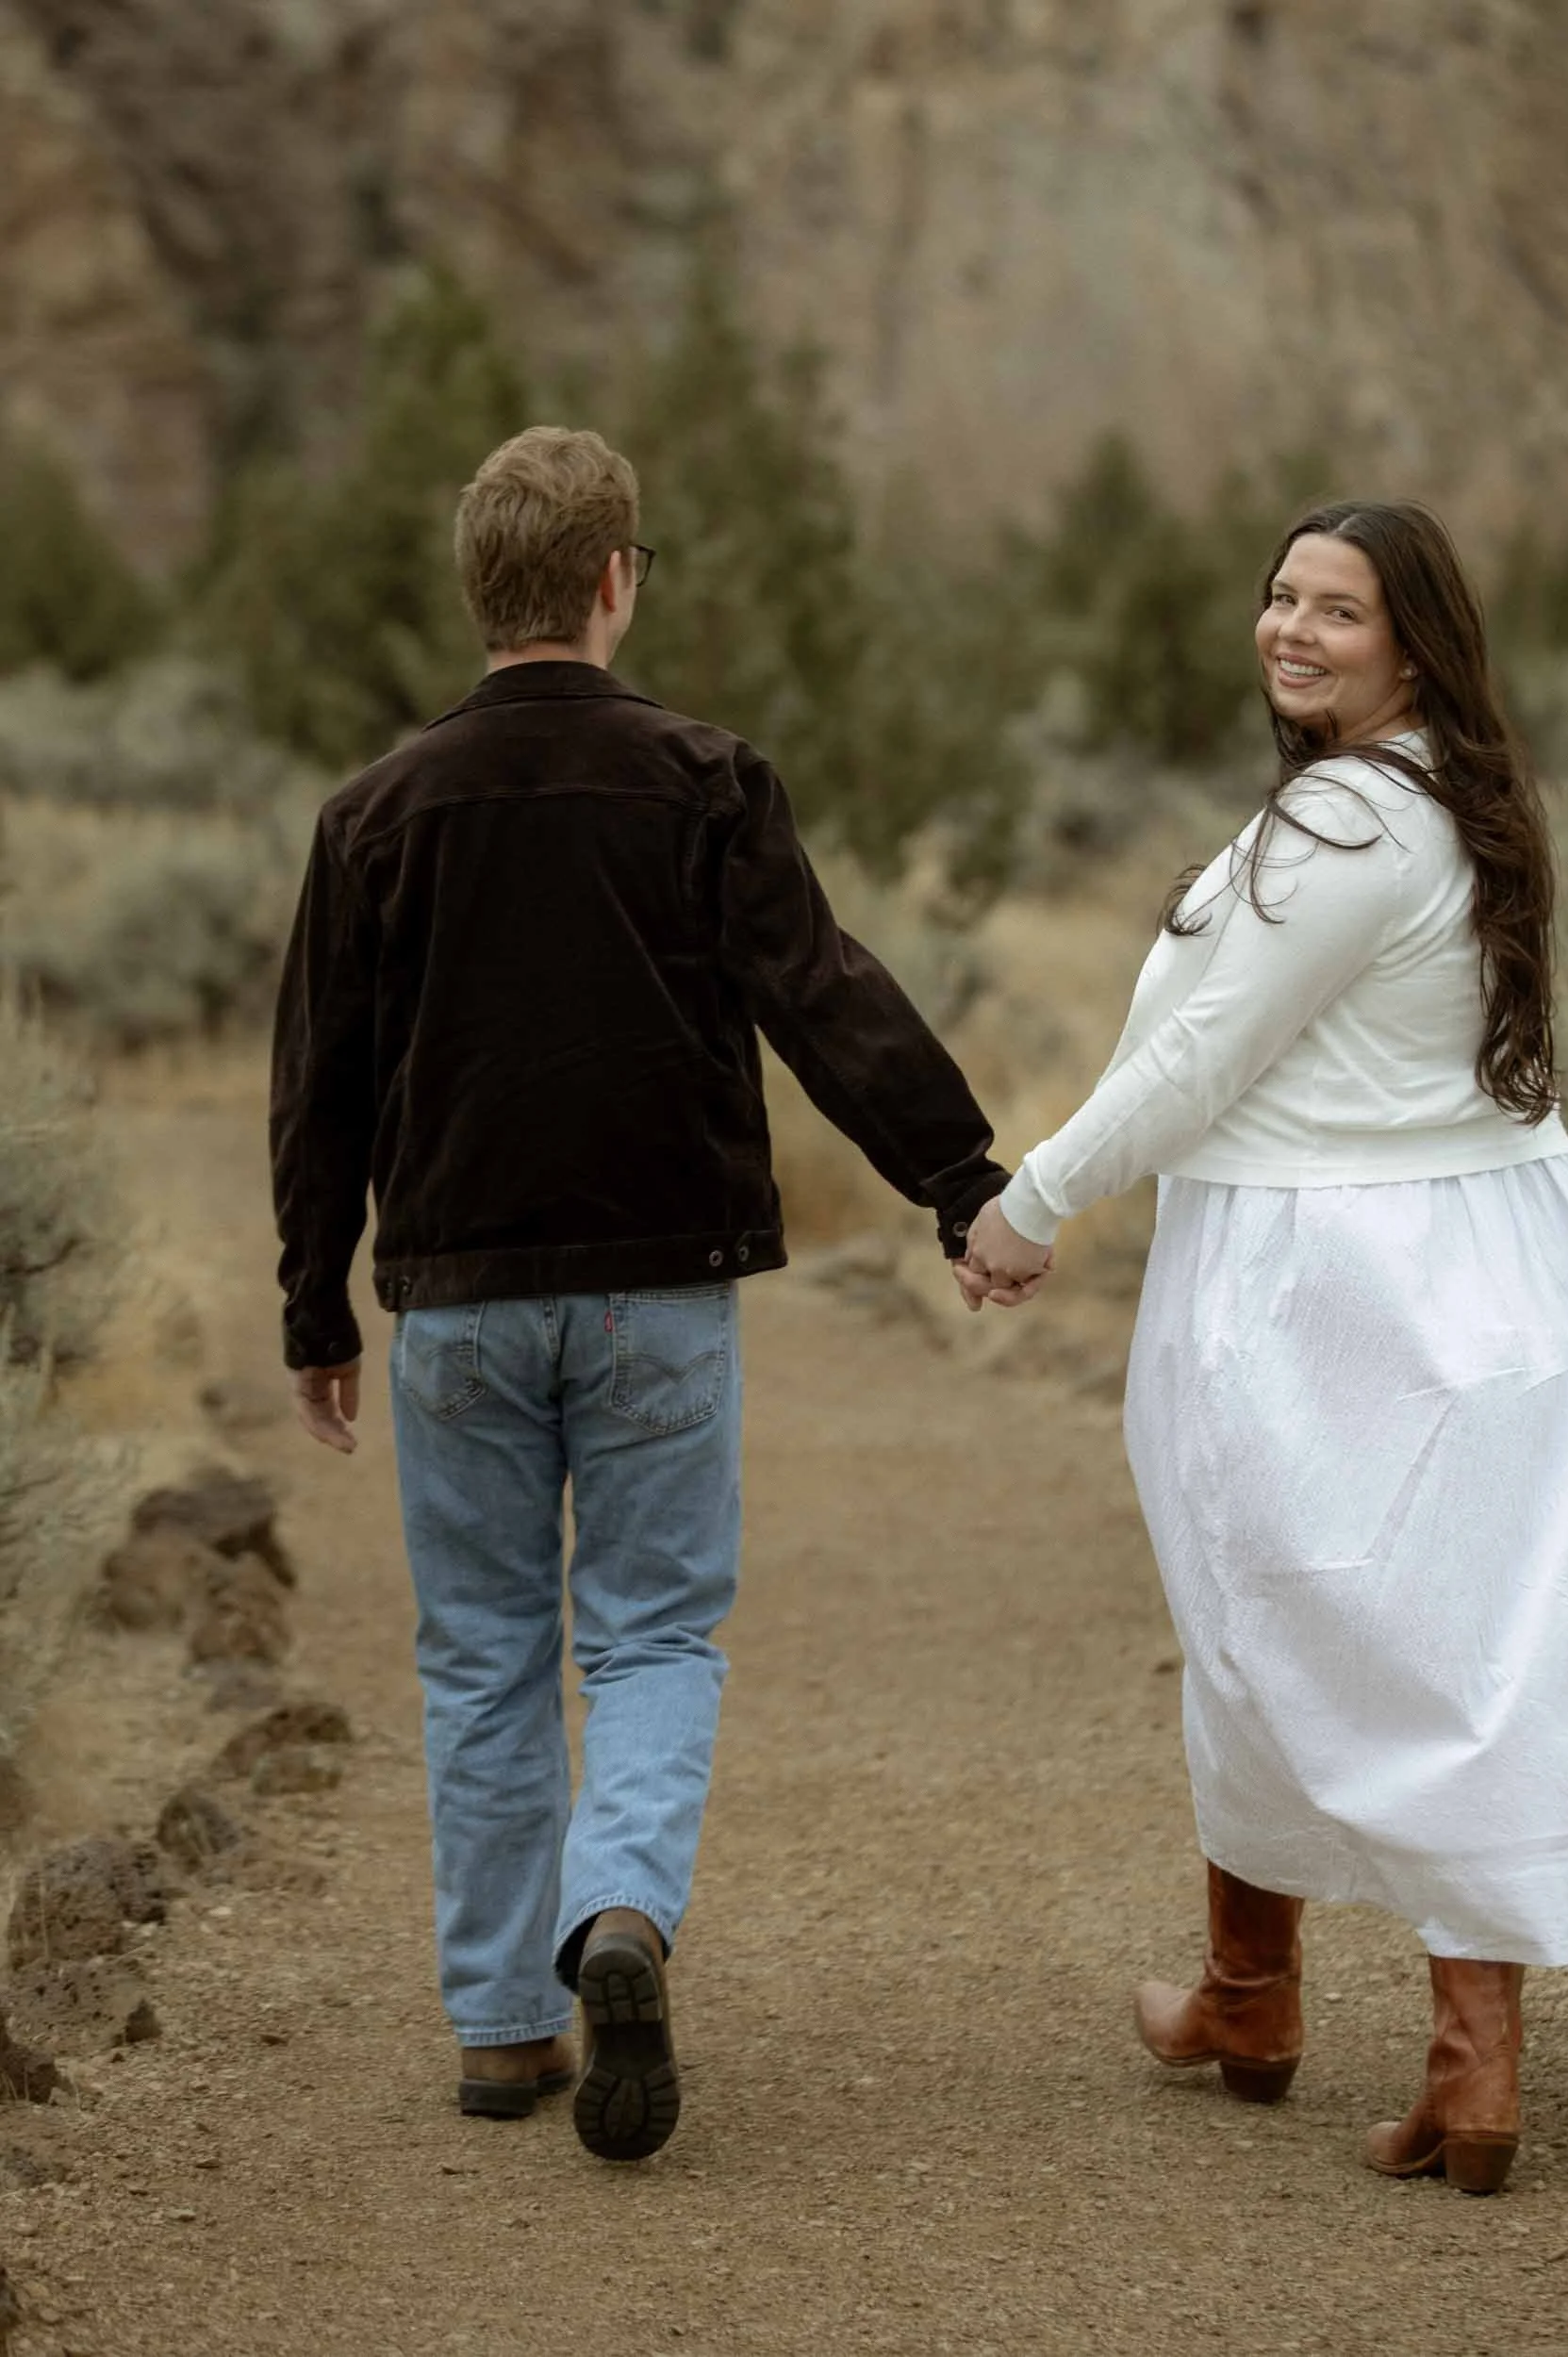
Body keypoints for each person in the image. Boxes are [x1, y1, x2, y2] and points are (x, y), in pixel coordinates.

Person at [958, 499, 1568, 2196]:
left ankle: (1397, 2035)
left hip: (1337, 1281)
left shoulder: (1341, 825)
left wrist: (1036, 1199)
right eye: (1280, 597)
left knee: (1286, 1626)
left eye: (1340, 610)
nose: (1293, 630)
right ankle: (1297, 2006)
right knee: (1448, 1642)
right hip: (1492, 1248)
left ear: (1412, 642)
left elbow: (1200, 1063)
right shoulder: (1459, 795)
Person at [271, 425, 1033, 2160]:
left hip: (455, 1301)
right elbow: (820, 991)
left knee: (479, 1654)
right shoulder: (706, 780)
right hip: (659, 1295)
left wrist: (317, 1306)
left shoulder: (372, 814)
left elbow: (316, 1081)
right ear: (617, 581)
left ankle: (503, 2032)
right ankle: (619, 1909)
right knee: (656, 1632)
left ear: (483, 591)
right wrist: (960, 1180)